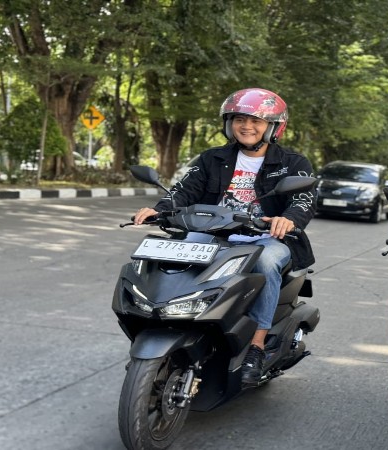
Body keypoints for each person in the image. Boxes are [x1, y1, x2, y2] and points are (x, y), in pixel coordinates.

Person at [133, 88, 316, 385]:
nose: (247, 126)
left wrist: (288, 219)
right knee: (170, 251)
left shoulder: (292, 163)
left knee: (267, 262)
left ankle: (256, 345)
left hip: (264, 237)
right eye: (240, 119)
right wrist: (160, 210)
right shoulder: (212, 158)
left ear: (273, 127)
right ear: (229, 124)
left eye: (256, 121)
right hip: (212, 233)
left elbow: (303, 199)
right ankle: (172, 325)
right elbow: (185, 190)